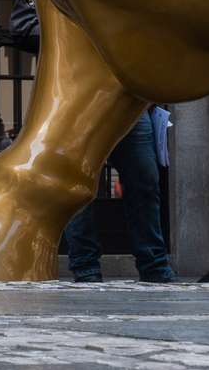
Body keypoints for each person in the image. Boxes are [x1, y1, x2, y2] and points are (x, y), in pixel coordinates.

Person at [61, 106, 178, 283]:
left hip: (129, 102)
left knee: (145, 180)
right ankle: (86, 266)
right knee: (79, 186)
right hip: (83, 100)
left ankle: (154, 265)